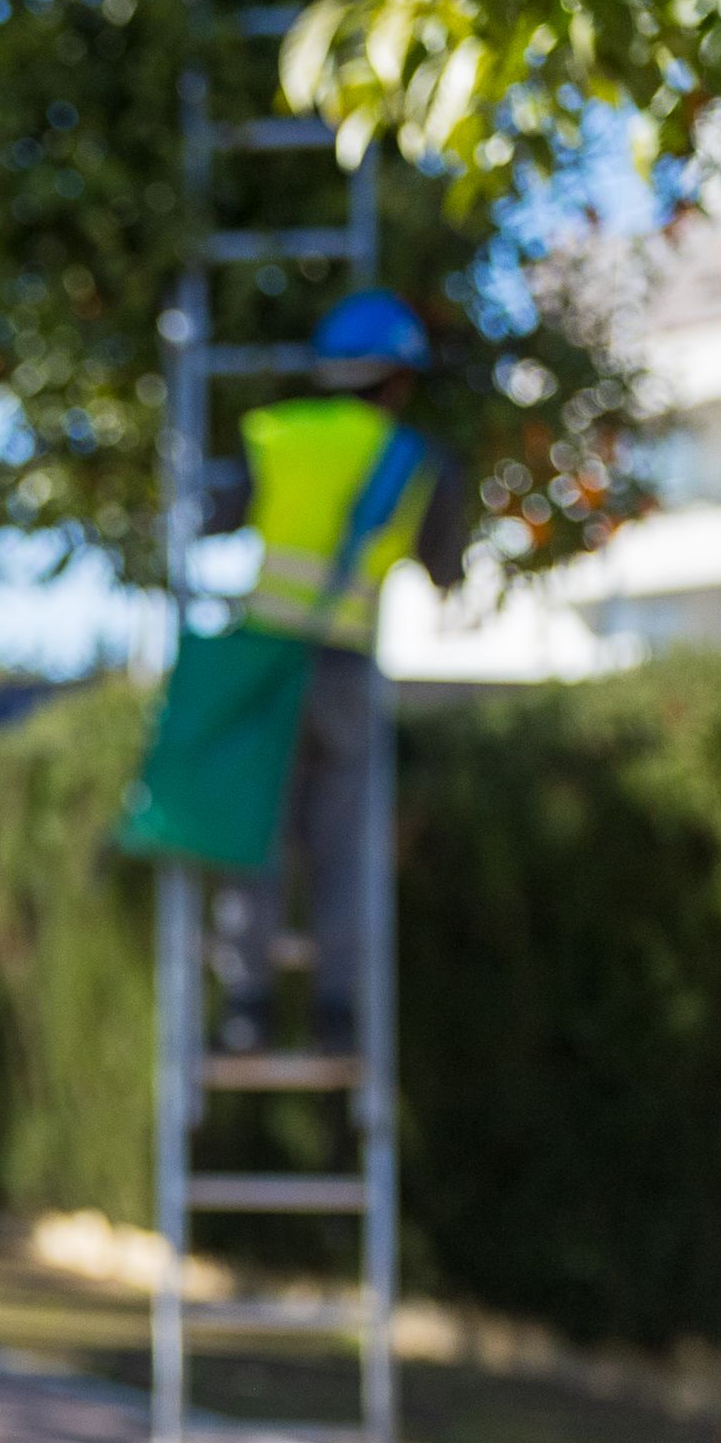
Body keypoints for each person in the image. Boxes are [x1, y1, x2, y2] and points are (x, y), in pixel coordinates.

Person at [202, 287, 472, 1050]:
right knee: (344, 848)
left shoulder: (275, 434)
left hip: (265, 668)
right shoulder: (418, 462)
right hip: (346, 672)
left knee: (253, 838)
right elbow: (445, 568)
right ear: (398, 380)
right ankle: (335, 1011)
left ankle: (246, 1008)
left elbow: (209, 518)